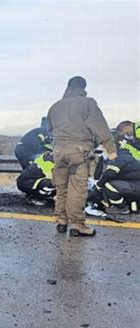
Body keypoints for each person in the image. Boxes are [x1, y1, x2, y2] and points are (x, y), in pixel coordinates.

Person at [47, 76, 117, 236]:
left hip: (58, 151)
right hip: (79, 152)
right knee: (77, 189)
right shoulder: (88, 103)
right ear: (83, 88)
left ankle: (62, 220)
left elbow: (50, 129)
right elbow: (100, 126)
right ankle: (77, 224)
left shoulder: (55, 106)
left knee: (61, 187)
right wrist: (110, 149)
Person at [88, 148, 140, 214]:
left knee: (109, 185)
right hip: (134, 187)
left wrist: (98, 186)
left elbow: (109, 174)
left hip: (136, 187)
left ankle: (121, 208)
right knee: (109, 186)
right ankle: (130, 206)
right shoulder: (127, 158)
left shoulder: (119, 158)